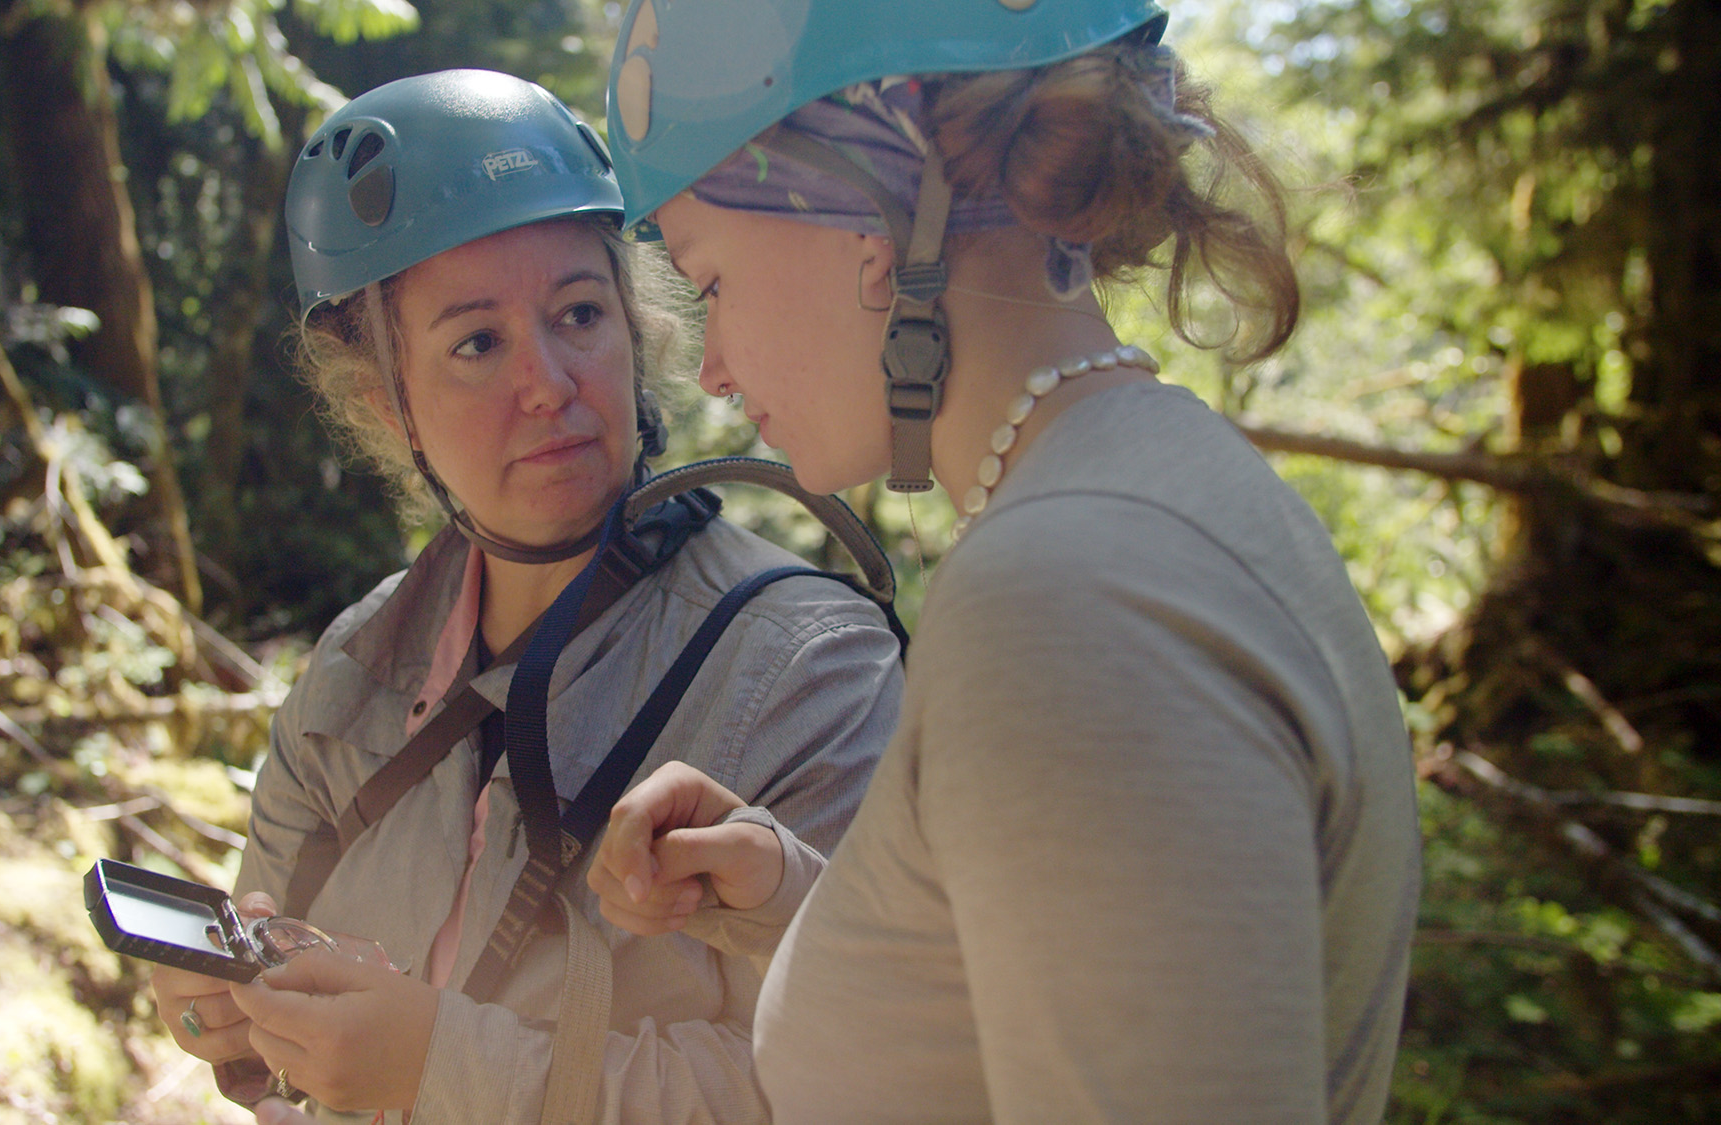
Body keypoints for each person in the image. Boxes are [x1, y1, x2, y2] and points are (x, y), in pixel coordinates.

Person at [586, 2, 1422, 1122]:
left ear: (859, 215)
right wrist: (805, 901)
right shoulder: (1158, 490)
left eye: (711, 280)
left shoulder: (1071, 599)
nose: (715, 370)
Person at [148, 69, 904, 1125]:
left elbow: (847, 1082)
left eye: (578, 313)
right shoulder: (355, 674)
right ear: (385, 398)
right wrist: (232, 1023)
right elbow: (281, 1037)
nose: (548, 379)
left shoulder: (808, 664)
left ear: (635, 330)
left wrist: (443, 1068)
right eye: (475, 343)